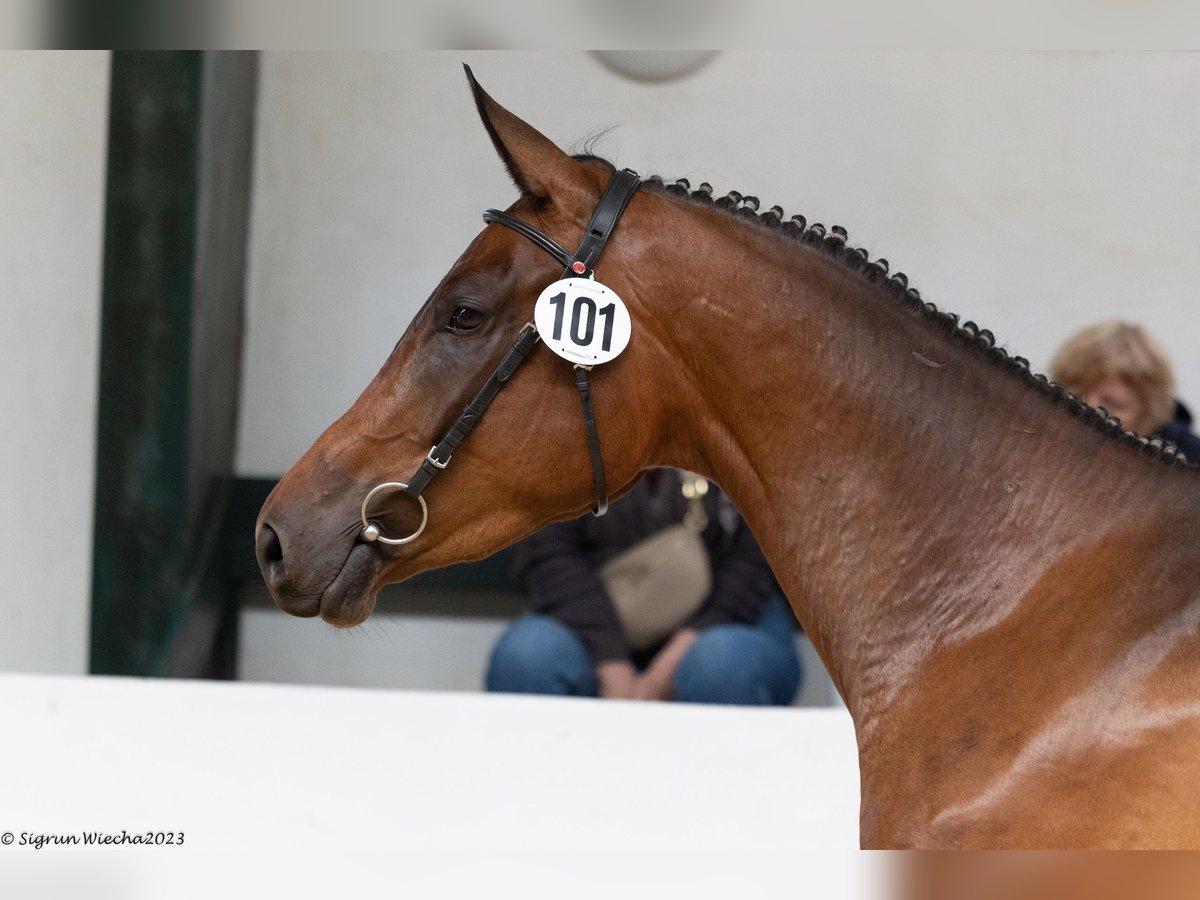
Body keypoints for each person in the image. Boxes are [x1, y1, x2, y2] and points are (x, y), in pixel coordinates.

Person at [486, 469, 801, 705]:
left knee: (720, 665)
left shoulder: (732, 402)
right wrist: (610, 661)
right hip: (583, 617)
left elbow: (756, 554)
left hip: (730, 615)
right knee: (527, 658)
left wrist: (665, 669)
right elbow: (546, 552)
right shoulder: (570, 412)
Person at [1049, 320, 1200, 463]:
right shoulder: (1041, 440)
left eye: (1113, 403)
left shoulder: (1189, 470)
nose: (1087, 410)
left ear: (1148, 418)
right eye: (1076, 396)